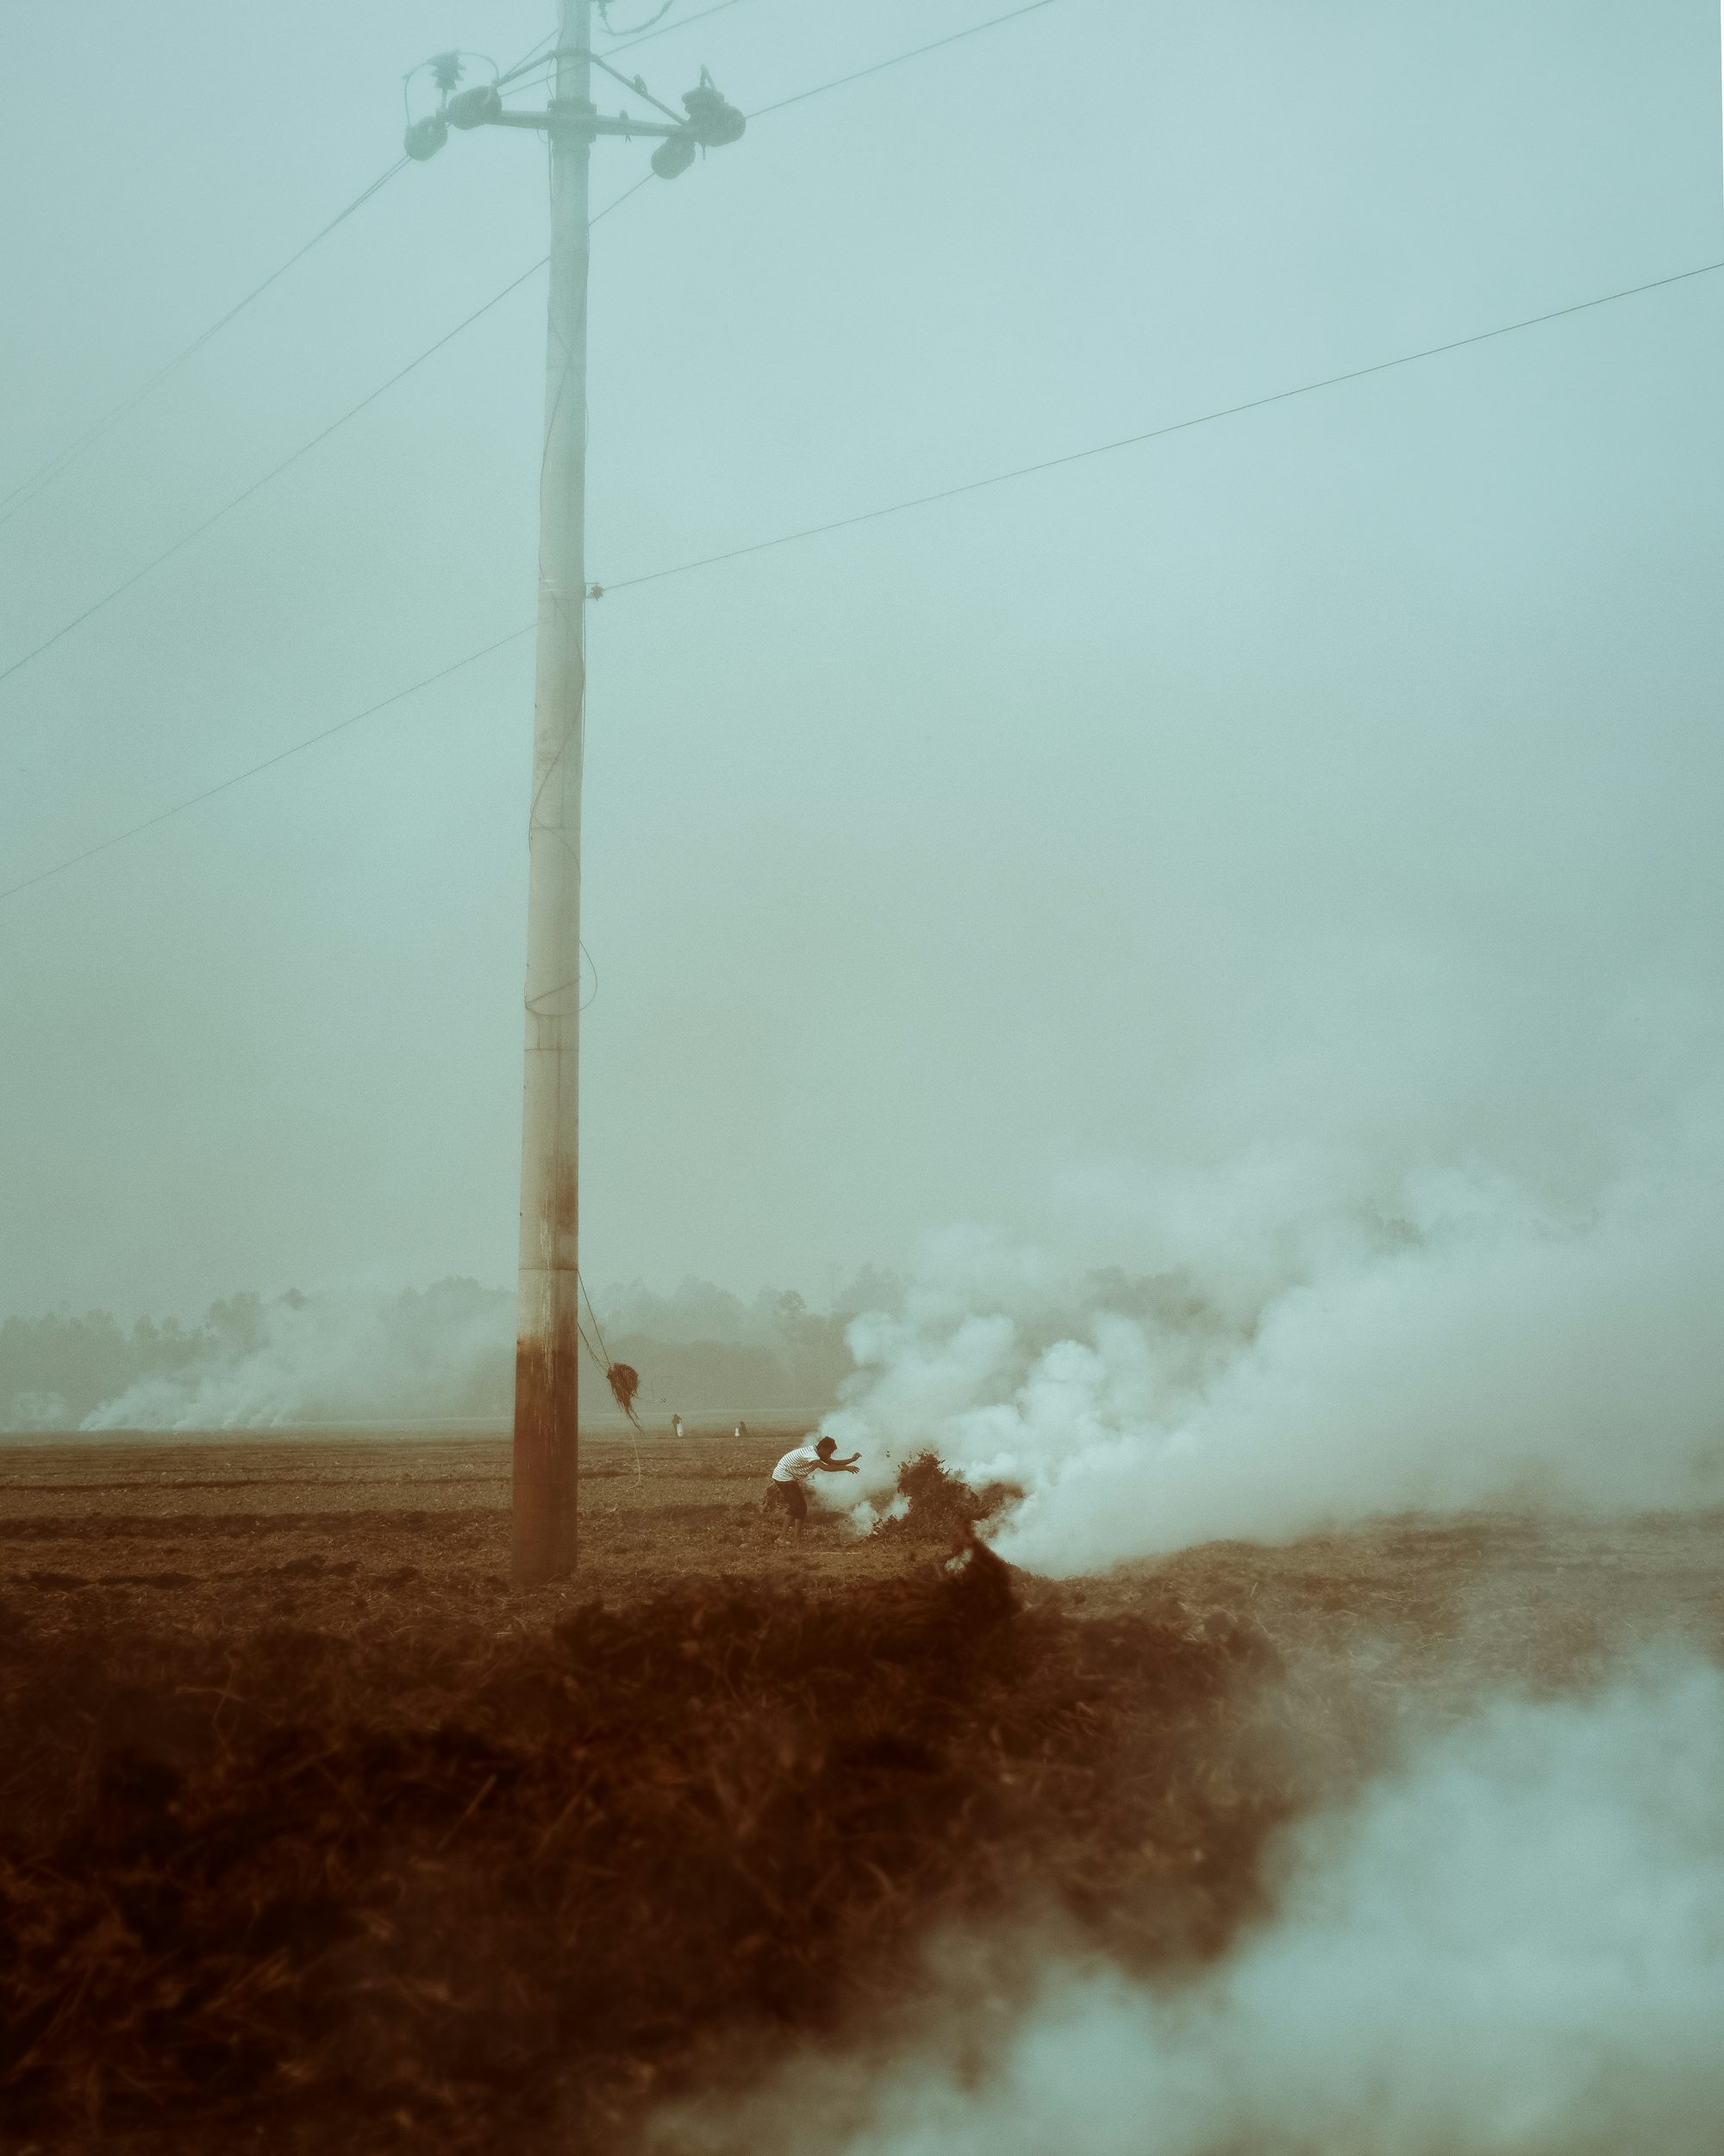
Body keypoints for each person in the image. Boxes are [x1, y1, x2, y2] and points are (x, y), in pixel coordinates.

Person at [765, 1434, 860, 1534]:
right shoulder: (811, 1454)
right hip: (784, 1477)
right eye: (829, 1452)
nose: (829, 1455)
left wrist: (851, 1460)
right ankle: (786, 1538)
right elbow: (825, 1468)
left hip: (786, 1476)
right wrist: (846, 1468)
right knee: (799, 1507)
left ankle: (792, 1538)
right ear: (823, 1448)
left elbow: (832, 1462)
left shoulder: (817, 1452)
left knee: (797, 1507)